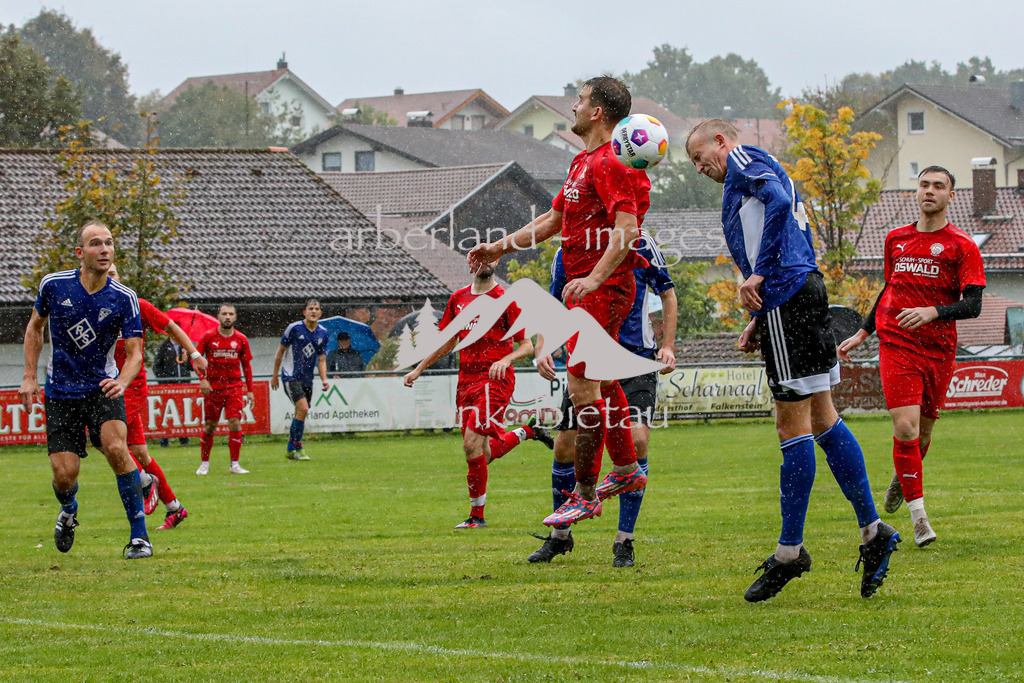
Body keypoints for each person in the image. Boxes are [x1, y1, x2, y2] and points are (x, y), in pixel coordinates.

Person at [686, 118, 900, 600]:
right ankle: (873, 531)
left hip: (788, 295)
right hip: (800, 293)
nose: (701, 168)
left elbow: (779, 206)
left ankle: (790, 553)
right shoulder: (753, 167)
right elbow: (779, 223)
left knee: (792, 426)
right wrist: (761, 318)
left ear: (722, 140)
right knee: (823, 418)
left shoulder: (742, 160)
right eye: (695, 163)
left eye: (701, 157)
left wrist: (759, 278)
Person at [467, 76, 649, 529]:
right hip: (588, 288)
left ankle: (586, 494)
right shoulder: (582, 163)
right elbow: (552, 220)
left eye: (581, 99)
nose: (573, 106)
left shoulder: (614, 162)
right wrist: (498, 247)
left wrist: (594, 277)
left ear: (598, 113)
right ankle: (627, 472)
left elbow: (627, 229)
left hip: (603, 289)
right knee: (602, 386)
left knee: (583, 391)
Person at [839, 166, 985, 548]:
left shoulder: (962, 245)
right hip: (897, 343)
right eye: (924, 185)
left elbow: (973, 305)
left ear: (951, 196)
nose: (930, 191)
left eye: (939, 186)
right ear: (915, 191)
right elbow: (890, 288)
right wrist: (863, 331)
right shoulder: (896, 239)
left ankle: (903, 476)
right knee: (905, 427)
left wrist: (934, 311)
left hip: (938, 349)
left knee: (921, 437)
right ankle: (920, 519)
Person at [530, 233, 677, 567]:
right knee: (565, 446)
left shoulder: (638, 241)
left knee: (637, 442)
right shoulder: (567, 250)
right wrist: (544, 347)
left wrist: (667, 345)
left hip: (634, 358)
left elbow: (667, 293)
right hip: (588, 362)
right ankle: (561, 535)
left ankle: (624, 540)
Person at [19, 221, 153, 559]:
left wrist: (122, 381)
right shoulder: (53, 285)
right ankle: (69, 509)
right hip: (61, 390)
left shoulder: (125, 298)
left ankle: (140, 538)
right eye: (96, 243)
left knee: (116, 448)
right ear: (81, 253)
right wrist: (29, 376)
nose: (104, 249)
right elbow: (35, 329)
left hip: (101, 389)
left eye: (109, 243)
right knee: (64, 475)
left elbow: (136, 352)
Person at [404, 265, 553, 528]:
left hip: (495, 381)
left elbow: (527, 345)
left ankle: (477, 517)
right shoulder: (458, 298)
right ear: (472, 263)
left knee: (470, 445)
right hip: (466, 383)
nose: (485, 260)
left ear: (495, 262)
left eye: (490, 255)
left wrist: (506, 359)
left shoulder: (507, 300)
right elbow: (447, 341)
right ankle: (528, 432)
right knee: (482, 453)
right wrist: (418, 368)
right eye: (479, 255)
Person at [105, 264, 206, 530]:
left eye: (113, 273)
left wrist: (194, 355)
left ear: (119, 277)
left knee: (104, 437)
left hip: (131, 387)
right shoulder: (93, 307)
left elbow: (172, 327)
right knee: (140, 453)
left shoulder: (137, 305)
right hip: (106, 387)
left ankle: (145, 481)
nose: (108, 277)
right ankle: (174, 507)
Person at [195, 304, 254, 475]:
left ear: (235, 317)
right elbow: (195, 360)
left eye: (231, 314)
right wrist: (203, 379)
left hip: (234, 386)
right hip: (213, 388)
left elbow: (247, 366)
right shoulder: (208, 337)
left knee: (235, 422)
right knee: (210, 426)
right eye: (224, 314)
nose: (227, 317)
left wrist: (249, 390)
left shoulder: (241, 339)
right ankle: (204, 462)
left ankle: (234, 463)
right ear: (218, 317)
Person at [271, 299, 330, 460]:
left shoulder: (323, 333)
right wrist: (275, 375)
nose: (313, 311)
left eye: (316, 308)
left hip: (307, 378)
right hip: (291, 376)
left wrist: (324, 379)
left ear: (320, 313)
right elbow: (280, 352)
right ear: (304, 312)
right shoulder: (294, 328)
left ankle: (291, 449)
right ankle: (299, 447)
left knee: (301, 412)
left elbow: (322, 359)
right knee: (303, 408)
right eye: (310, 308)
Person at [153, 337, 193, 447]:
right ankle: (164, 440)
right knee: (167, 411)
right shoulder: (164, 347)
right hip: (168, 388)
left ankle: (184, 439)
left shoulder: (184, 348)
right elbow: (156, 367)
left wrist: (187, 360)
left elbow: (191, 367)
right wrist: (166, 380)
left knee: (183, 412)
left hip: (184, 386)